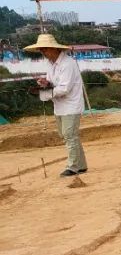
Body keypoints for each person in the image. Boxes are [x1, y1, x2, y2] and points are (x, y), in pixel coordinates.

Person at [24, 33, 87, 177]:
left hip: (71, 105)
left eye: (45, 49)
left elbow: (64, 88)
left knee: (69, 135)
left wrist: (45, 93)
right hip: (59, 106)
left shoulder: (68, 63)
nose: (43, 53)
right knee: (67, 135)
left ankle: (73, 166)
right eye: (41, 50)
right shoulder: (50, 64)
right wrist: (46, 83)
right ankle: (81, 165)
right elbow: (54, 83)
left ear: (54, 49)